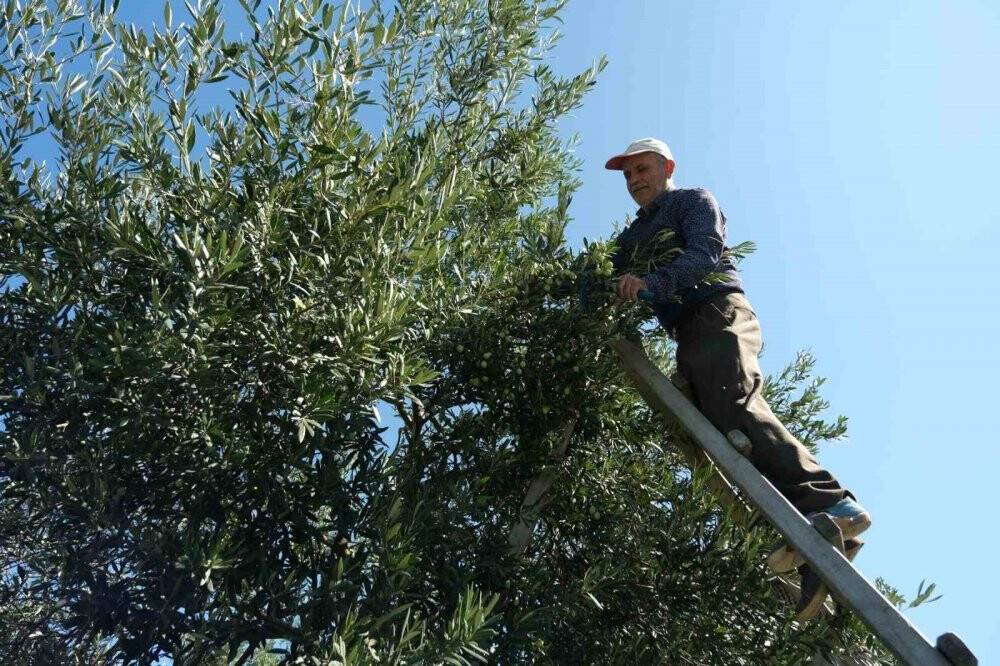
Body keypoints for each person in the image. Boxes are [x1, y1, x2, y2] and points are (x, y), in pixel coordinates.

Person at [605, 137, 871, 620]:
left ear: (666, 167)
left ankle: (834, 504)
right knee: (715, 440)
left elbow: (705, 253)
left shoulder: (692, 202)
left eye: (642, 169)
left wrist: (651, 285)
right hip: (689, 334)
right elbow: (600, 275)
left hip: (718, 310)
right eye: (627, 175)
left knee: (737, 405)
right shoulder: (632, 239)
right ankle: (822, 556)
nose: (635, 179)